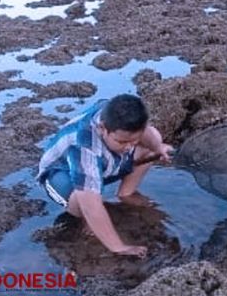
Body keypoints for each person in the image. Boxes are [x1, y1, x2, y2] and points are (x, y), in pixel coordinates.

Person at [36, 94, 172, 258]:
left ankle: (126, 194)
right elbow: (91, 205)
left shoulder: (118, 113)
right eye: (121, 142)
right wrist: (119, 247)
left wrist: (158, 148)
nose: (129, 148)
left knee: (153, 142)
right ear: (102, 128)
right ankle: (84, 221)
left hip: (101, 163)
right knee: (83, 201)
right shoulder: (84, 146)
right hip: (60, 173)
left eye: (133, 141)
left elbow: (145, 134)